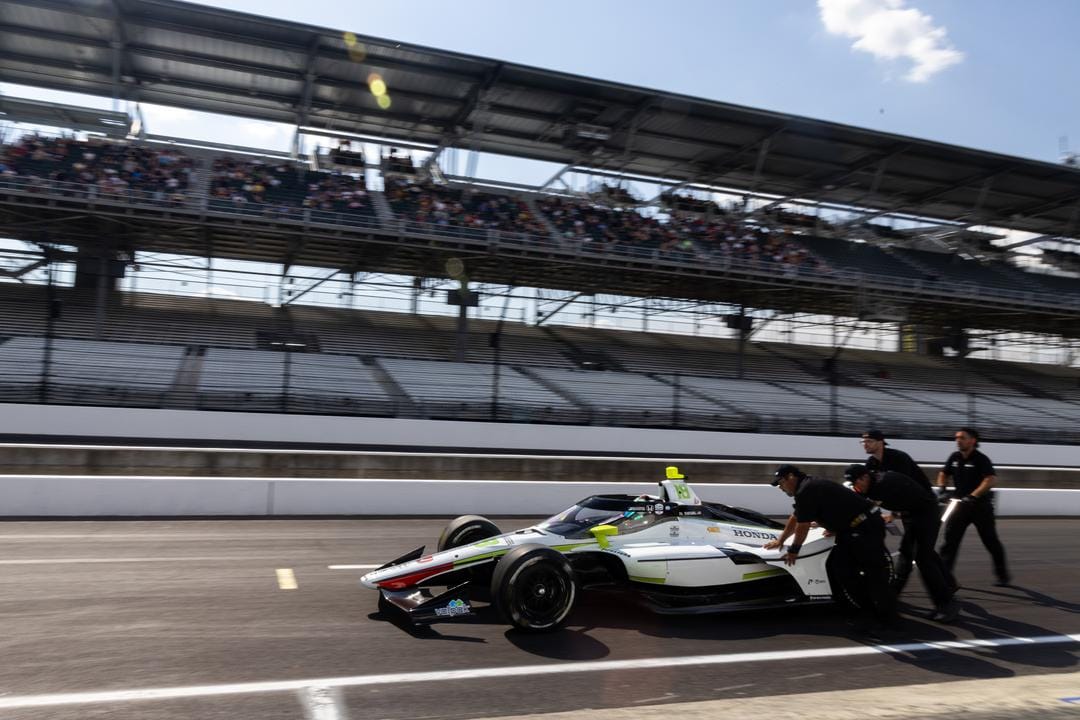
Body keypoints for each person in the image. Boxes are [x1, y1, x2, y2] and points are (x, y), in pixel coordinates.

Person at [764, 464, 897, 634]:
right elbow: (797, 516)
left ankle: (889, 623)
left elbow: (803, 526)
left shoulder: (807, 489)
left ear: (791, 477)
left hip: (865, 527)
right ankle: (869, 614)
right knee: (842, 571)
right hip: (851, 529)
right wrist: (781, 539)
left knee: (875, 577)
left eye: (781, 483)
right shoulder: (806, 487)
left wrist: (794, 550)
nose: (781, 488)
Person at [844, 464, 959, 623]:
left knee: (923, 559)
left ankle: (947, 604)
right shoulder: (873, 481)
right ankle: (891, 596)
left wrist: (842, 526)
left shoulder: (880, 485)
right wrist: (893, 513)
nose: (856, 487)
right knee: (905, 554)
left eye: (856, 483)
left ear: (864, 477)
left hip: (927, 515)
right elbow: (901, 493)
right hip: (912, 513)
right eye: (852, 485)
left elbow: (865, 512)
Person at [937, 428, 1011, 586]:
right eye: (956, 437)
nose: (958, 440)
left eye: (962, 438)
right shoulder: (954, 457)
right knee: (949, 543)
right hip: (959, 507)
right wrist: (942, 489)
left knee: (990, 541)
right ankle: (945, 577)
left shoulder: (981, 459)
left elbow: (990, 480)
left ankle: (1002, 575)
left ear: (972, 441)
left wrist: (973, 496)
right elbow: (943, 473)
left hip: (980, 508)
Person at [860, 429, 930, 592]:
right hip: (905, 507)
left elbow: (903, 487)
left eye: (869, 441)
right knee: (921, 548)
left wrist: (892, 513)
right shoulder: (871, 463)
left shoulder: (898, 458)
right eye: (863, 441)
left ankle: (895, 588)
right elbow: (871, 490)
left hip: (922, 505)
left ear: (880, 442)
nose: (865, 444)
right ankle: (948, 584)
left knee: (915, 551)